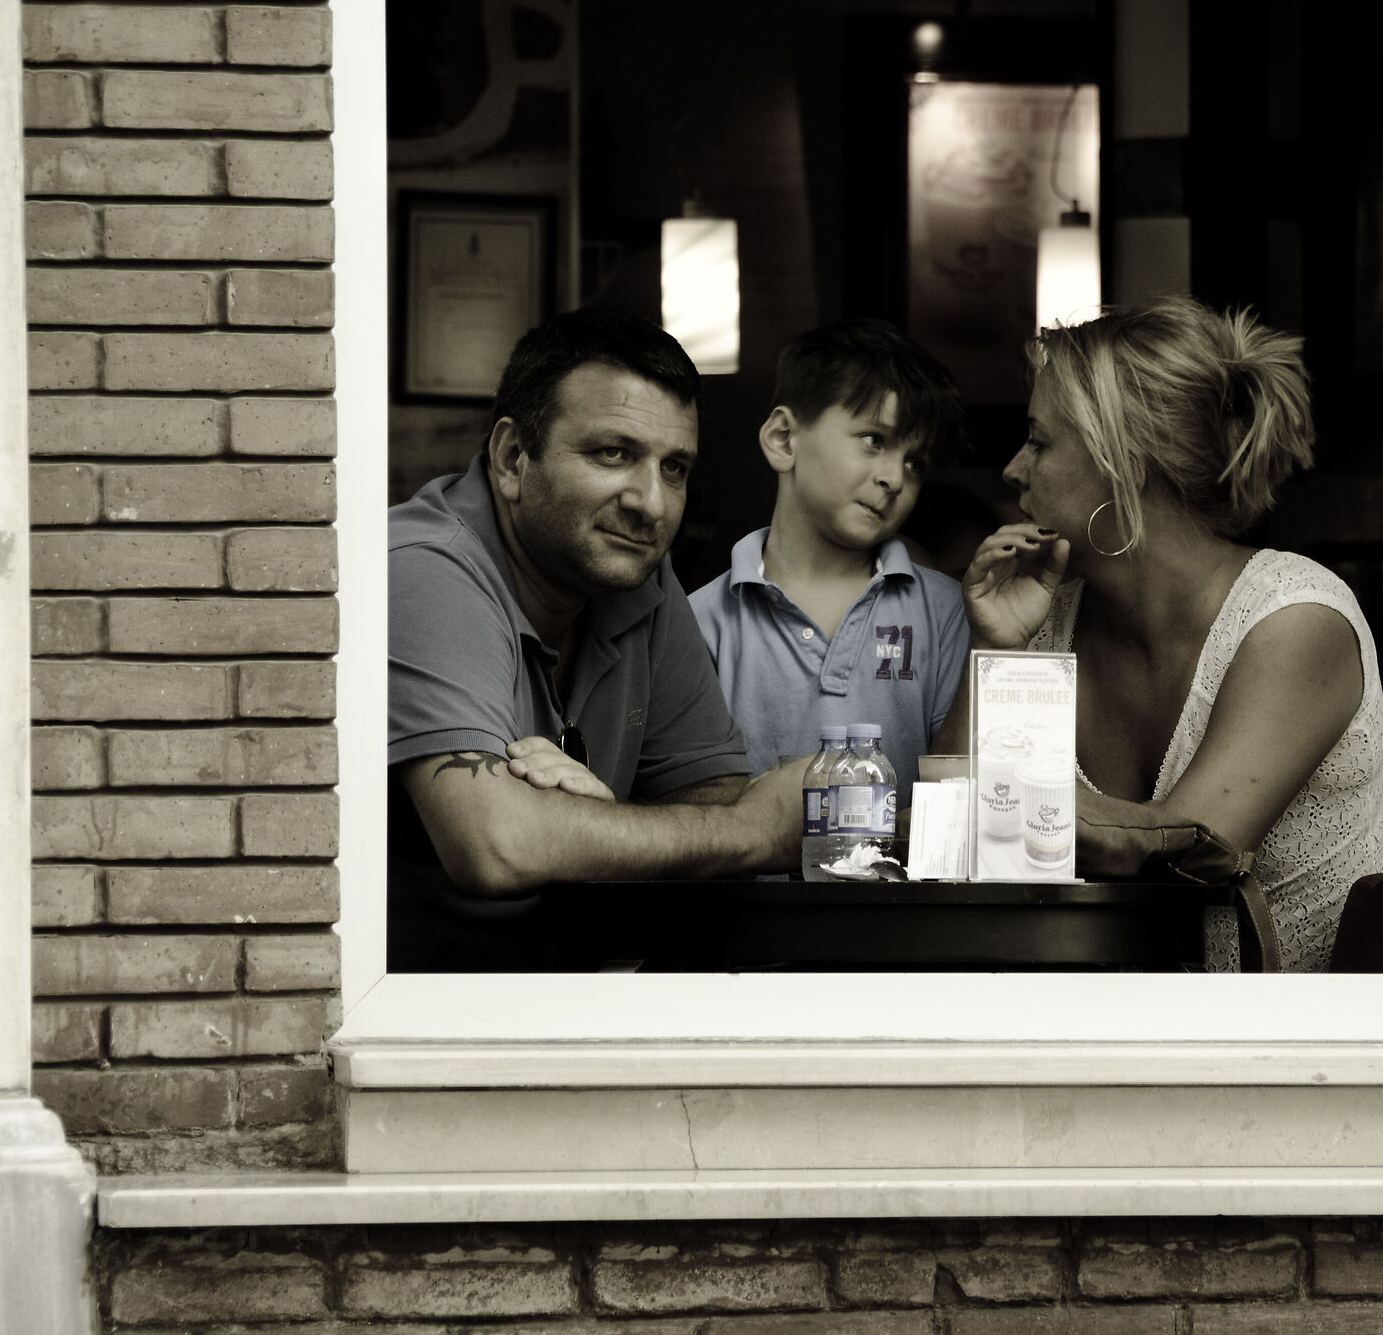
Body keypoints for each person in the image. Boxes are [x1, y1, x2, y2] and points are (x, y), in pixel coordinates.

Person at [939, 295, 1383, 971]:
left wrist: (1005, 807)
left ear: (1124, 463)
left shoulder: (1295, 620)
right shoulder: (1050, 619)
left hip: (1316, 1048)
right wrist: (997, 650)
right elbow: (955, 845)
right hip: (1121, 1029)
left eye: (1039, 441)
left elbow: (1186, 849)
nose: (1014, 468)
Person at [388, 307, 805, 966]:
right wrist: (754, 831)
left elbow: (709, 793)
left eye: (674, 468)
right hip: (417, 1021)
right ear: (511, 458)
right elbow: (496, 844)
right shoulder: (423, 566)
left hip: (581, 1001)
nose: (652, 503)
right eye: (614, 453)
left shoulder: (636, 575)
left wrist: (600, 815)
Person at [690, 320, 970, 778]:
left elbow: (959, 794)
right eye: (873, 440)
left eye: (914, 463)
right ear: (783, 439)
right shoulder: (702, 623)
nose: (895, 478)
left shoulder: (946, 612)